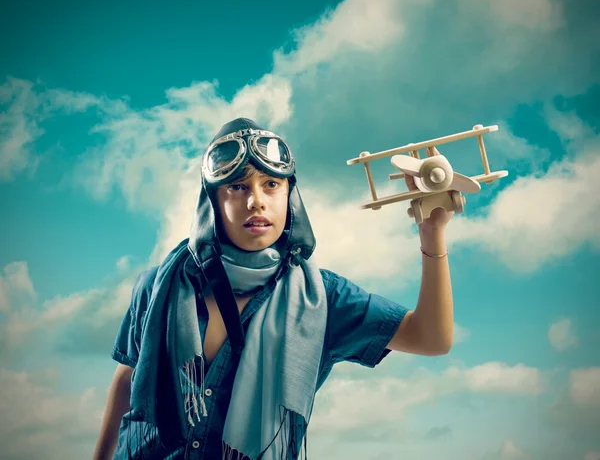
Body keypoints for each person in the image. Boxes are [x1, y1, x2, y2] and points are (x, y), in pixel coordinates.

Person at [93, 117, 454, 460]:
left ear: (288, 195)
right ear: (213, 202)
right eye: (237, 187)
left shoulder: (322, 299)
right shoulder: (157, 286)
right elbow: (128, 380)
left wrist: (431, 233)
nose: (256, 201)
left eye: (271, 184)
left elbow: (432, 338)